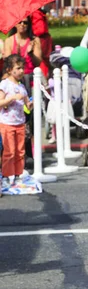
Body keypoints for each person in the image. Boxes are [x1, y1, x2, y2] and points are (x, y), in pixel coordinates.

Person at [0, 55, 33, 191]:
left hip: (20, 123)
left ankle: (18, 174)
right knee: (9, 151)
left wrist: (31, 104)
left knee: (20, 151)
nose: (21, 71)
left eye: (22, 68)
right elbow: (1, 102)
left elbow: (27, 104)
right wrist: (11, 98)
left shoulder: (22, 87)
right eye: (18, 68)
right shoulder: (4, 85)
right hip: (7, 123)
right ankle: (7, 176)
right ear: (9, 70)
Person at [3, 18, 42, 96]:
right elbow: (8, 63)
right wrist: (16, 56)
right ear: (15, 24)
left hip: (31, 79)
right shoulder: (9, 40)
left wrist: (31, 54)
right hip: (14, 81)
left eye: (25, 23)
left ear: (29, 25)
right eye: (20, 22)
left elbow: (38, 63)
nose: (22, 24)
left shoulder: (34, 40)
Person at [30, 7, 53, 78]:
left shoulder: (36, 13)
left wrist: (32, 34)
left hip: (41, 39)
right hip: (45, 39)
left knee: (42, 61)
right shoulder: (39, 13)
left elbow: (41, 29)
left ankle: (43, 78)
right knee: (45, 61)